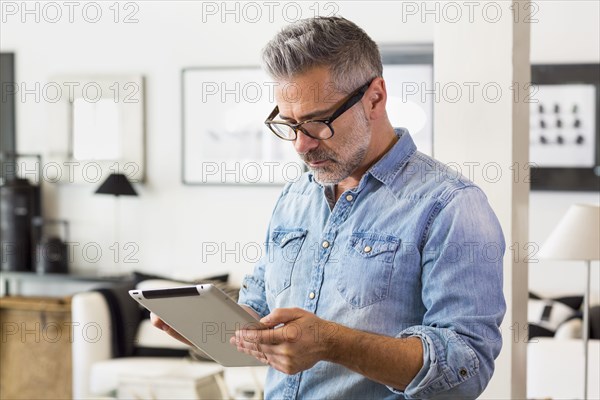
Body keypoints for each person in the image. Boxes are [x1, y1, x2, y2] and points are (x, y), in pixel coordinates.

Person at [153, 16, 506, 399]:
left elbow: (466, 369)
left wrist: (331, 343)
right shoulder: (295, 197)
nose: (301, 146)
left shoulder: (451, 206)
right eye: (288, 124)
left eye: (317, 123)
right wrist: (215, 328)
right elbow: (258, 309)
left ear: (375, 97)